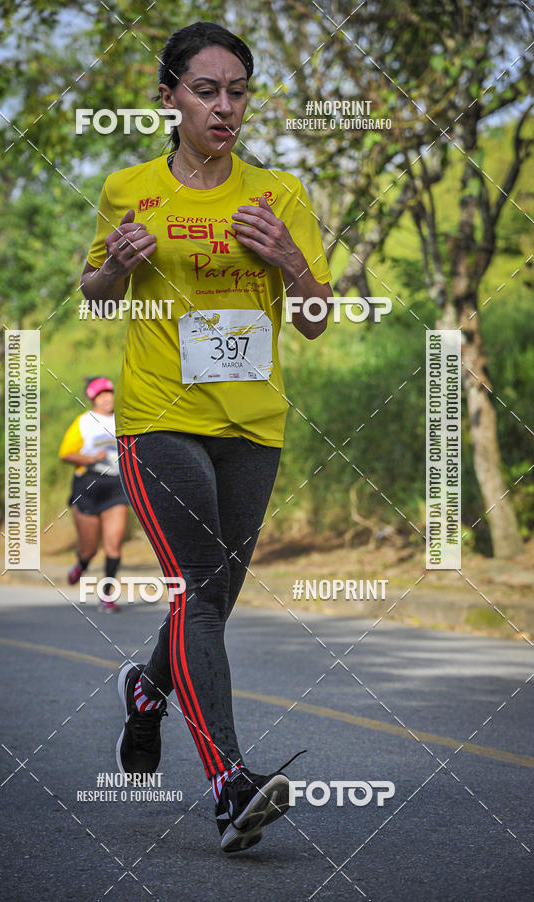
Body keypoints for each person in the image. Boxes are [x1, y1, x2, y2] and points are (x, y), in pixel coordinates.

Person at [80, 21, 332, 851]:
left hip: (253, 425)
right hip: (161, 418)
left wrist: (292, 259)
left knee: (213, 596)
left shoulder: (280, 193)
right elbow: (96, 293)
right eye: (206, 90)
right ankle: (230, 783)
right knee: (199, 587)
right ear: (169, 97)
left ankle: (146, 691)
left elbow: (315, 319)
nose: (225, 107)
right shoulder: (129, 187)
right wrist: (114, 267)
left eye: (238, 92)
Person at [59, 376, 129, 612]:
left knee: (114, 545)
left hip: (116, 485)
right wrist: (90, 458)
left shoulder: (124, 419)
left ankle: (107, 595)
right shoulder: (84, 421)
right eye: (100, 395)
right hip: (88, 485)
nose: (106, 398)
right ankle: (82, 563)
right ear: (92, 400)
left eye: (109, 393)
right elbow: (66, 453)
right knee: (90, 549)